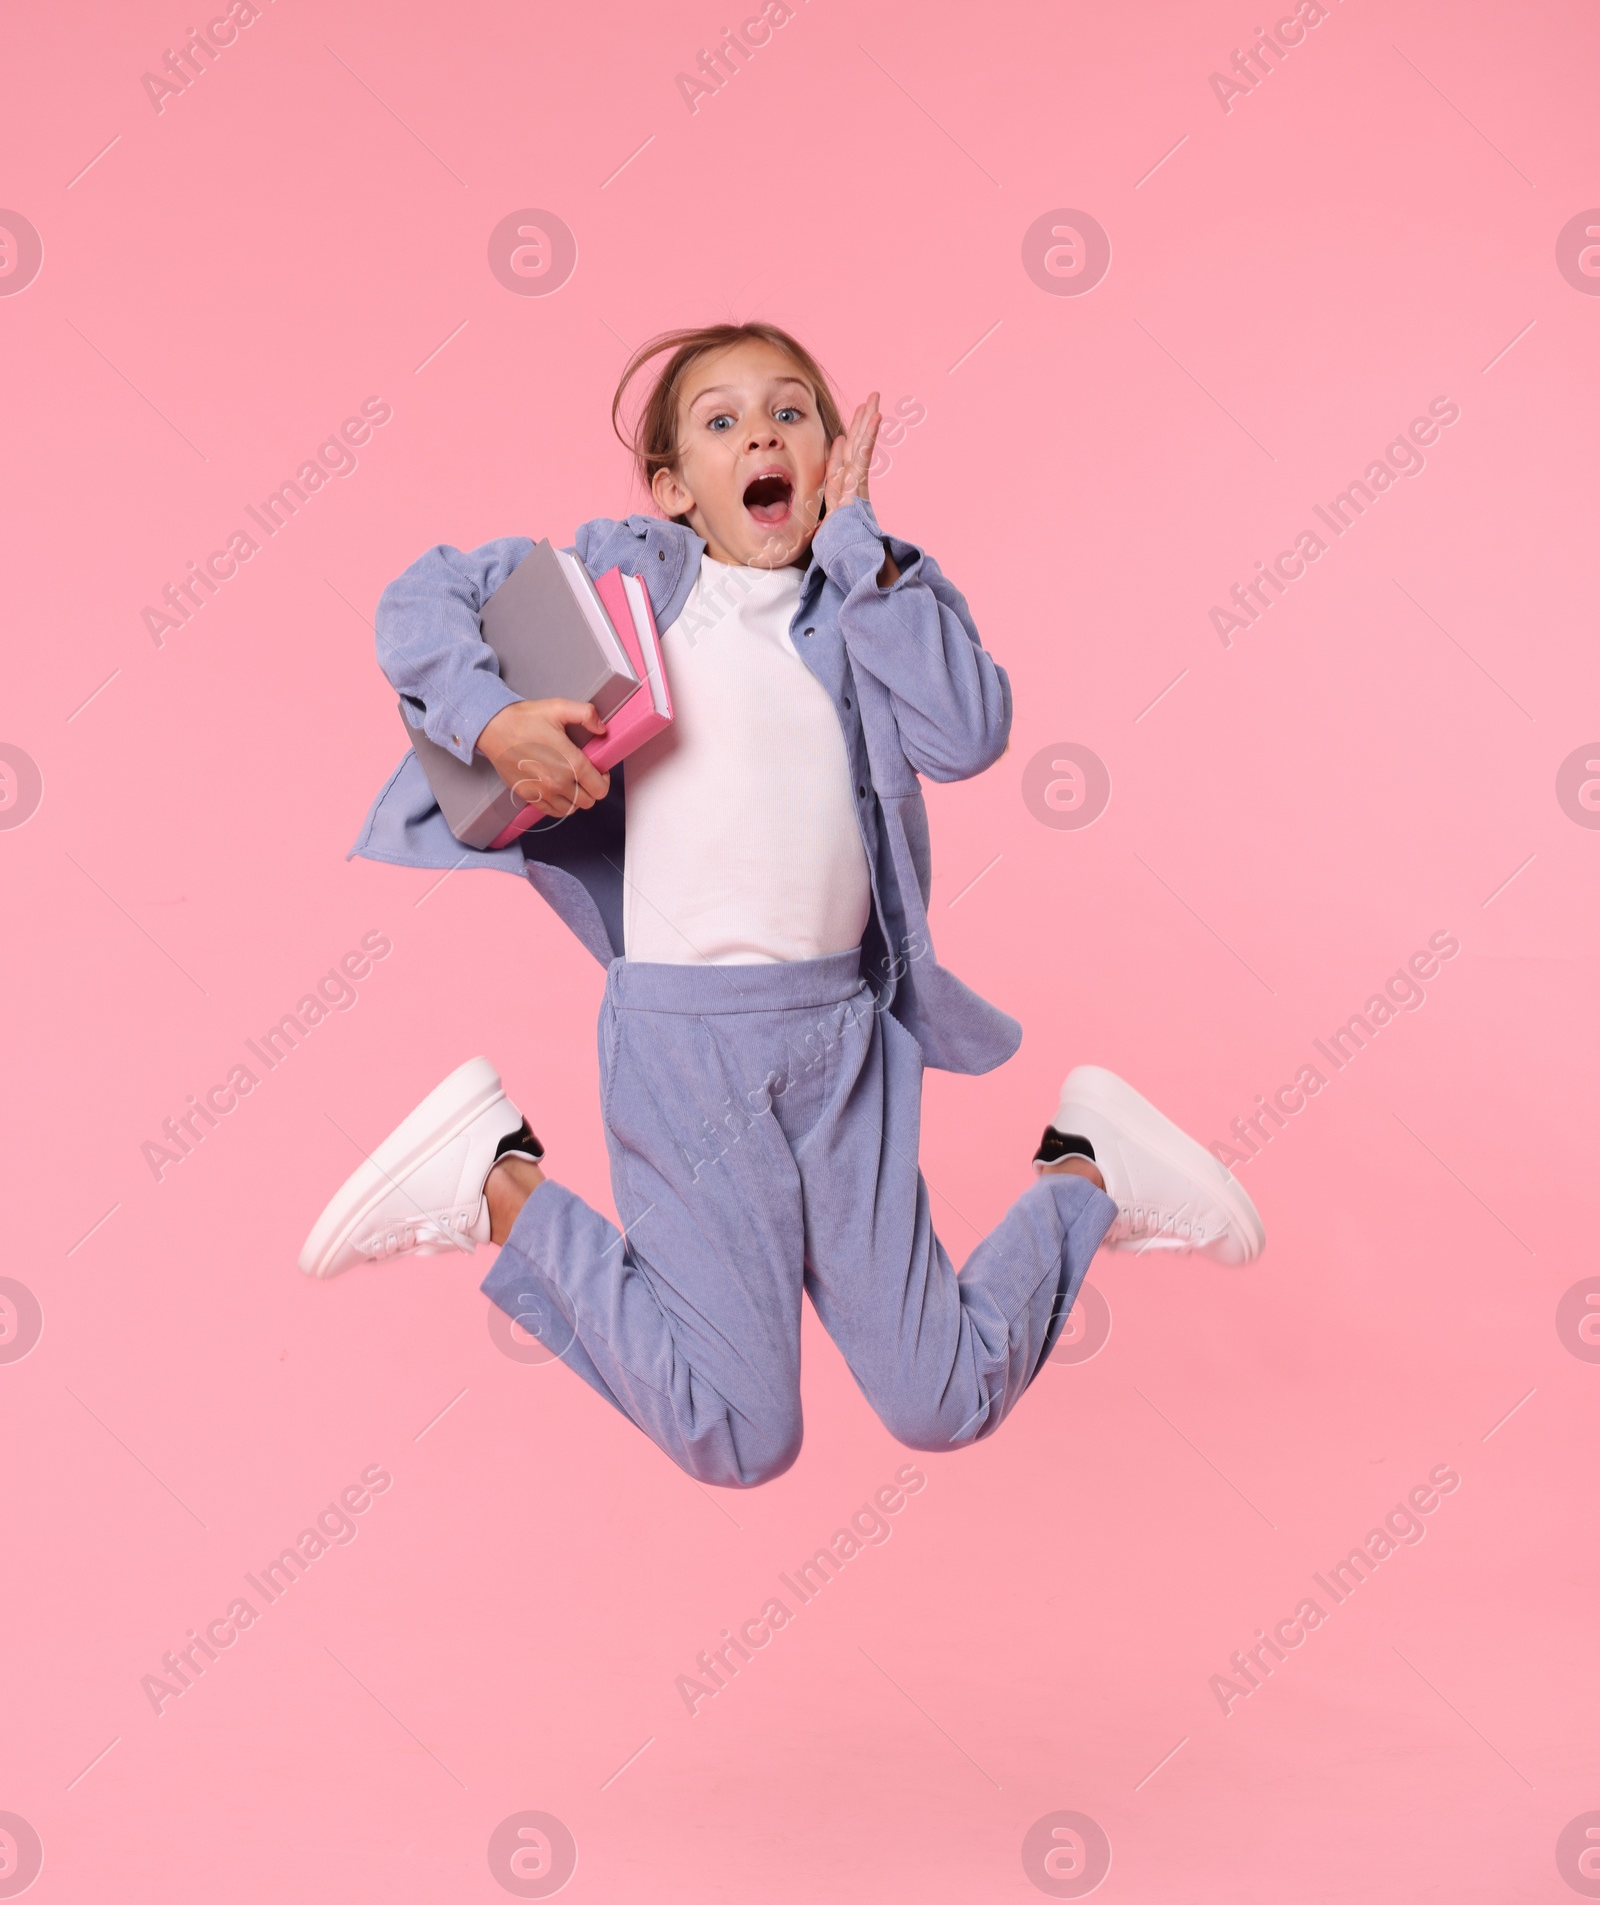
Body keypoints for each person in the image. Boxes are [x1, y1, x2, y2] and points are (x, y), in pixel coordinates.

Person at [300, 321, 1263, 1488]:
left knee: (941, 1399)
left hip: (842, 1040)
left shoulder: (869, 598)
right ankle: (492, 1182)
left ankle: (1089, 1168)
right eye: (721, 421)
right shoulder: (625, 586)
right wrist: (489, 716)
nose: (761, 430)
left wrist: (862, 551)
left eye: (791, 411)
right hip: (682, 1045)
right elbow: (420, 597)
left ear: (830, 455)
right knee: (742, 1434)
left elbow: (968, 734)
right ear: (673, 490)